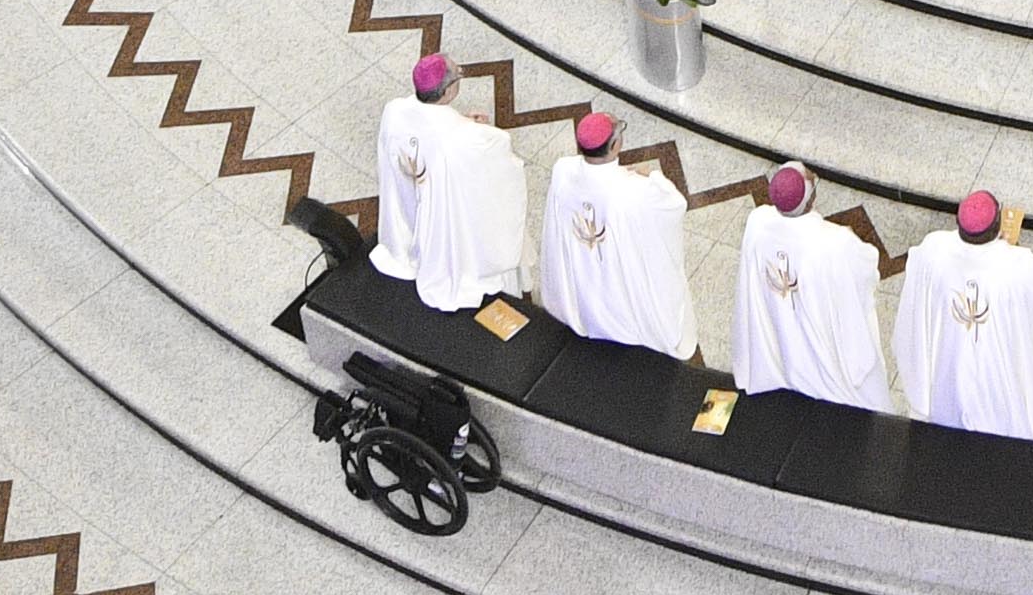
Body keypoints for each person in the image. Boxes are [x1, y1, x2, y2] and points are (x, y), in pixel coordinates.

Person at [895, 186, 1033, 439]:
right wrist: (1008, 249)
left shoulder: (934, 248)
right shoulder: (1019, 266)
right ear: (998, 227)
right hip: (997, 380)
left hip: (946, 369)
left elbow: (916, 278)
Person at [368, 53, 526, 312]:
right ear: (449, 90)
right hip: (446, 232)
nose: (460, 73)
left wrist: (463, 122)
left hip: (405, 217)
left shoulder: (394, 110)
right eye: (458, 72)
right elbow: (501, 156)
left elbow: (429, 130)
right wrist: (476, 130)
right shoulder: (466, 138)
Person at [731, 159, 887, 409]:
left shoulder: (757, 222)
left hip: (775, 345)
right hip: (825, 360)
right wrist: (846, 238)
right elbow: (868, 265)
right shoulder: (834, 242)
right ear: (810, 199)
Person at [535, 108, 692, 355]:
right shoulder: (633, 189)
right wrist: (653, 178)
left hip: (578, 282)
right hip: (623, 302)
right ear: (615, 145)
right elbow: (675, 205)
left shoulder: (562, 169)